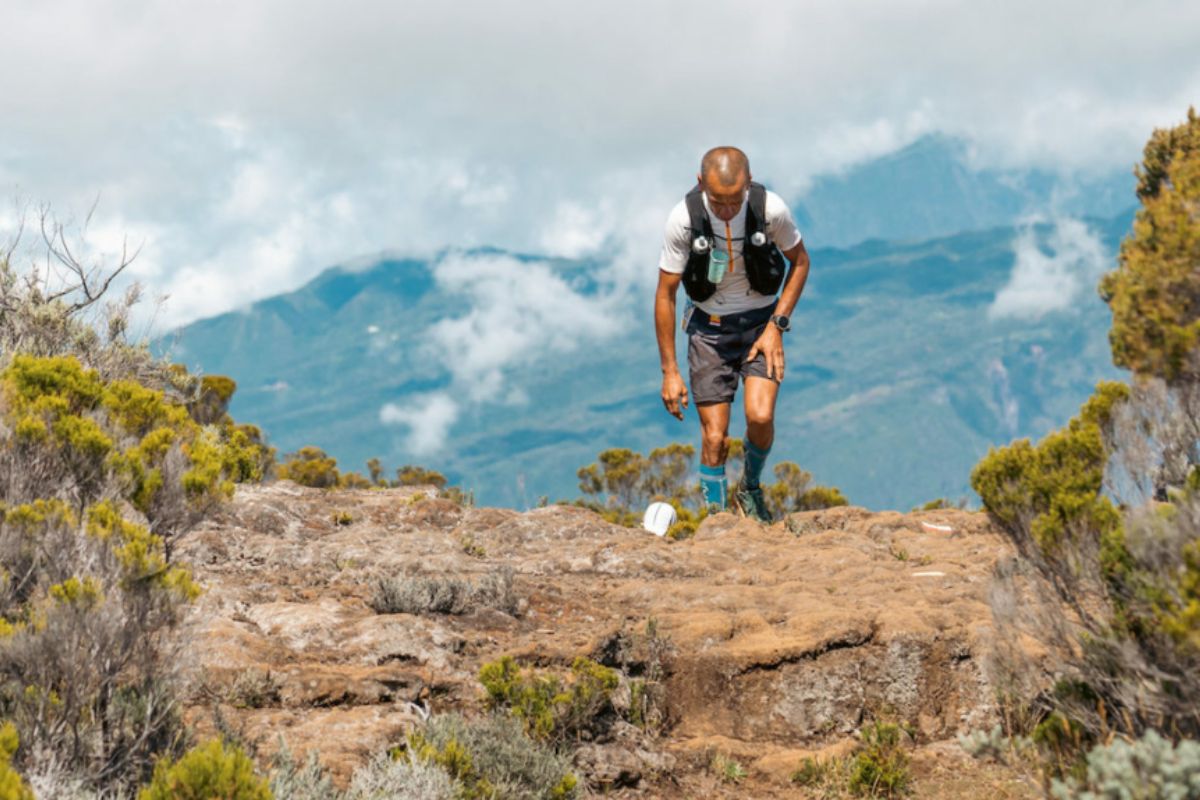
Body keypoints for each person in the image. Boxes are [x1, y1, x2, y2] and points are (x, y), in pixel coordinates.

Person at [654, 146, 810, 522]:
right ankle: (717, 519)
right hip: (709, 331)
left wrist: (777, 326)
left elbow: (801, 262)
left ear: (749, 181)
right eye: (717, 201)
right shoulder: (683, 219)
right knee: (714, 438)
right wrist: (670, 371)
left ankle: (750, 488)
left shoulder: (769, 210)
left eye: (734, 200)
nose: (726, 210)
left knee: (759, 417)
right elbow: (665, 293)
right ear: (700, 183)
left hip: (761, 325)